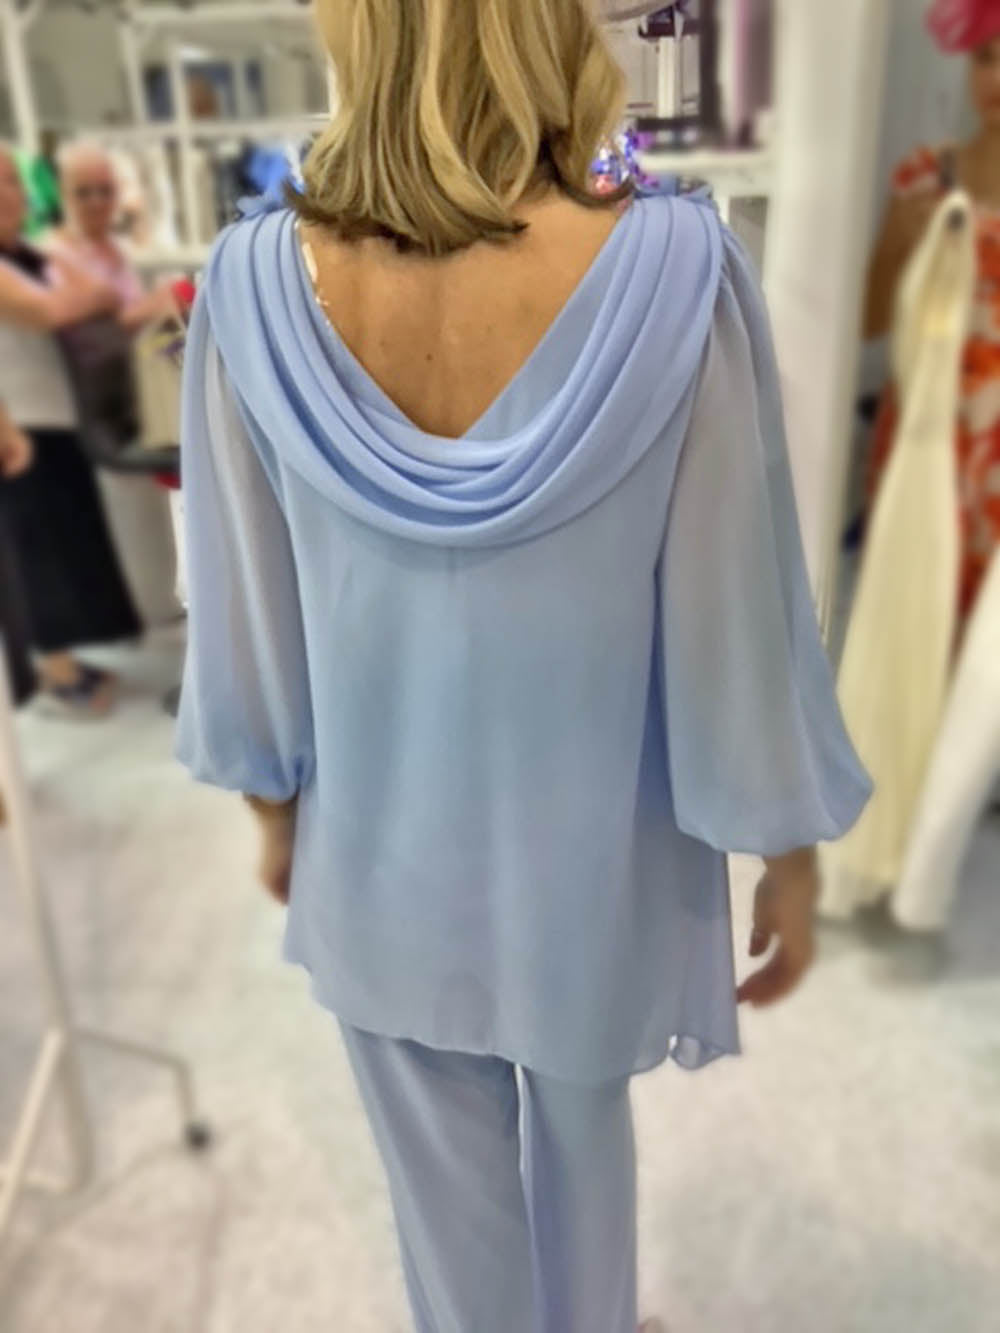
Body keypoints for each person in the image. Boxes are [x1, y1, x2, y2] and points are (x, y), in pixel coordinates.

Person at [175, 3, 870, 1330]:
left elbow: (245, 605)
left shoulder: (254, 285)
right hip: (591, 861)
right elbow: (735, 611)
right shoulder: (676, 270)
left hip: (377, 849)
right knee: (585, 1162)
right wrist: (786, 848)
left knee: (447, 1221)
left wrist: (272, 805)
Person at [863, 0, 1000, 629]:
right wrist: (900, 247)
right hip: (925, 437)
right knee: (914, 634)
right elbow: (867, 321)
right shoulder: (925, 177)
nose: (996, 78)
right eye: (985, 58)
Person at [0, 143, 142, 716]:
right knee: (34, 547)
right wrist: (82, 298)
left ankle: (65, 660)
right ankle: (55, 672)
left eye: (12, 180)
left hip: (58, 416)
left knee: (67, 539)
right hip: (19, 424)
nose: (9, 193)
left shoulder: (29, 255)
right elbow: (48, 312)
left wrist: (79, 297)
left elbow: (91, 296)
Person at [47, 140, 176, 332]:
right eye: (83, 193)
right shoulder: (55, 256)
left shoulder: (115, 246)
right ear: (63, 192)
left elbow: (126, 311)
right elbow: (80, 336)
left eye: (105, 191)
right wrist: (150, 309)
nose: (96, 202)